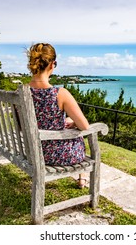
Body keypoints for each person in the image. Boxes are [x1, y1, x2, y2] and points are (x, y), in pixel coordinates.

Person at [27, 42, 89, 188]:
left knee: (69, 125)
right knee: (78, 136)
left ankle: (83, 176)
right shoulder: (60, 94)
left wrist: (64, 120)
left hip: (30, 150)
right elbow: (85, 126)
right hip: (57, 155)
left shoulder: (21, 93)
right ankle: (83, 177)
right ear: (52, 65)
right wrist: (73, 122)